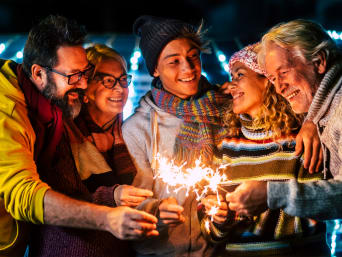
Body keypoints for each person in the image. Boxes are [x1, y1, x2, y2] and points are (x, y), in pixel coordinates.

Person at [0, 15, 157, 257]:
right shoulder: (8, 110)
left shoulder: (49, 108)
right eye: (73, 75)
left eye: (86, 73)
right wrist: (107, 218)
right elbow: (25, 194)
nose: (83, 84)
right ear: (38, 73)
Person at [199, 43, 329, 256]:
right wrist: (220, 219)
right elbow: (210, 232)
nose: (231, 86)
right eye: (231, 77)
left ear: (267, 81)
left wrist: (268, 198)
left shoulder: (301, 140)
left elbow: (319, 208)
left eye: (239, 75)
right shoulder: (225, 147)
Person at [122, 15, 230, 257]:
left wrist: (223, 209)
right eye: (174, 61)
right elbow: (128, 204)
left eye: (193, 56)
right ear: (155, 70)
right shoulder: (137, 129)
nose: (188, 68)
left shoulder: (225, 110)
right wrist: (156, 211)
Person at [225, 19, 342, 221]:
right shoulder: (322, 112)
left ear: (320, 62)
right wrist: (311, 120)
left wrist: (274, 194)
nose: (279, 88)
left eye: (284, 73)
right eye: (272, 78)